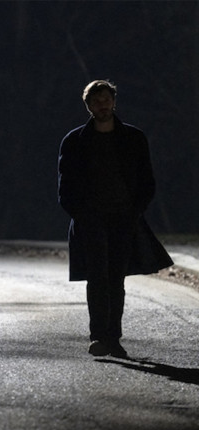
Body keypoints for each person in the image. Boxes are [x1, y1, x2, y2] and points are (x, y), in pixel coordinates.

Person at [58, 80, 173, 358]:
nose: (103, 105)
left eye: (106, 100)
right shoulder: (75, 141)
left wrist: (135, 211)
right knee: (97, 278)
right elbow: (65, 186)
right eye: (97, 101)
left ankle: (113, 338)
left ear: (114, 102)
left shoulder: (133, 138)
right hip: (90, 221)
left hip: (123, 218)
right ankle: (99, 337)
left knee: (116, 279)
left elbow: (147, 179)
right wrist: (81, 215)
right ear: (88, 106)